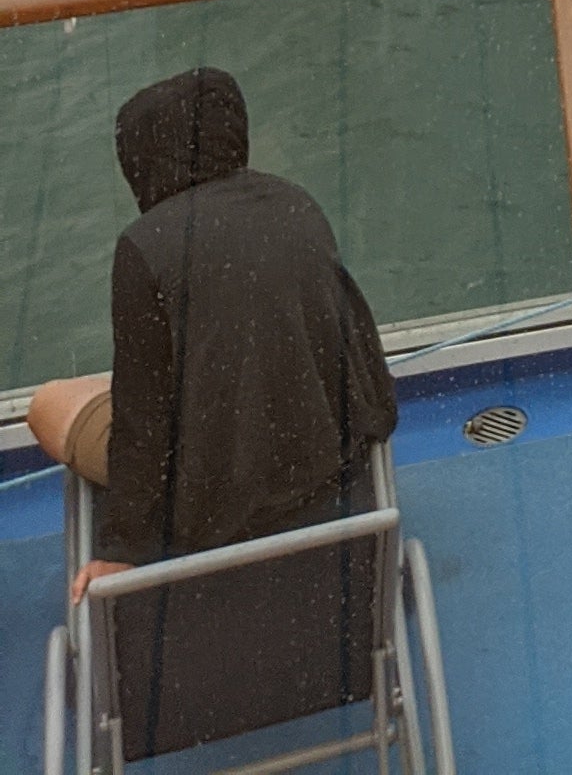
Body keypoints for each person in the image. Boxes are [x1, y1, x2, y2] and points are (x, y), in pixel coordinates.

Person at [30, 69, 399, 753]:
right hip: (321, 478)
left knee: (51, 404)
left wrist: (120, 552)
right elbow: (353, 347)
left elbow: (143, 426)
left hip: (201, 502)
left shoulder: (145, 247)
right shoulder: (297, 204)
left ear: (140, 158)